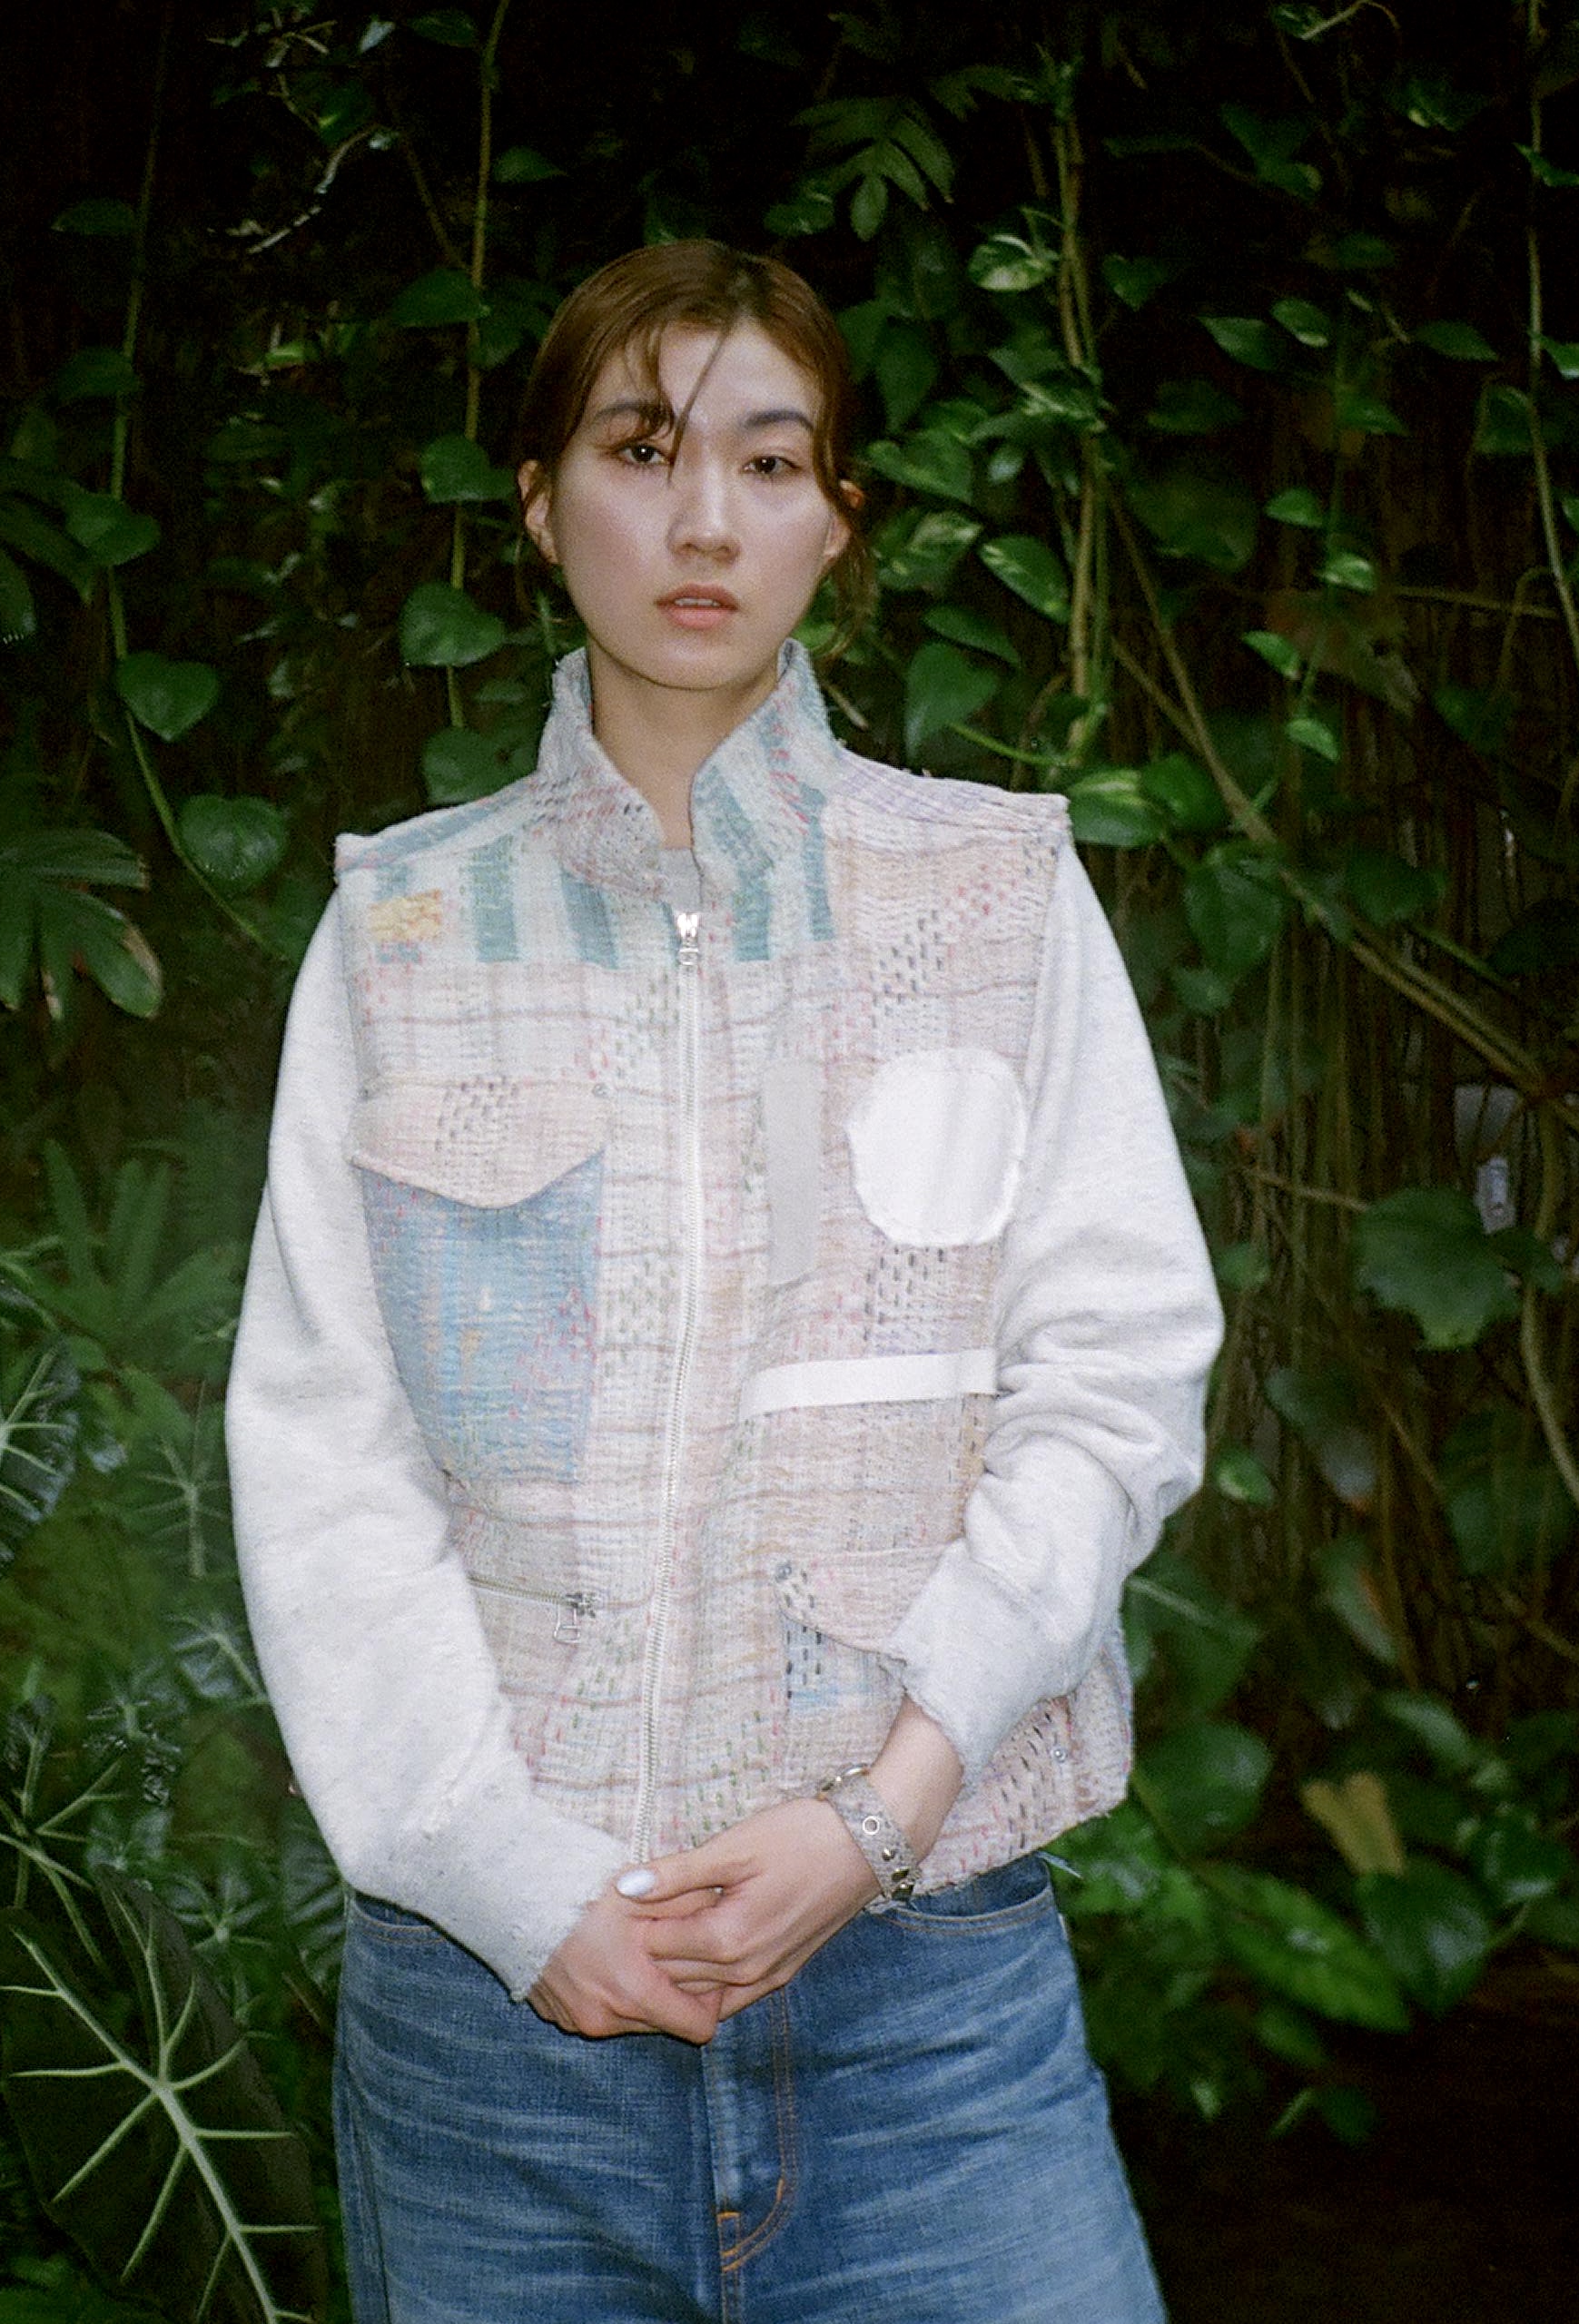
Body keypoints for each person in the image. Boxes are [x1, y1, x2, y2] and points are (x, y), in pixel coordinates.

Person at [227, 240, 1222, 2324]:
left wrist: (884, 1807)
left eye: (769, 463)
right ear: (536, 501)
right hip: (495, 2037)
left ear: (836, 520)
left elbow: (1114, 1374)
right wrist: (516, 1885)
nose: (703, 521)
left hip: (928, 2010)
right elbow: (325, 1455)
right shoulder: (404, 935)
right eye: (640, 449)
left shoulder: (995, 895)